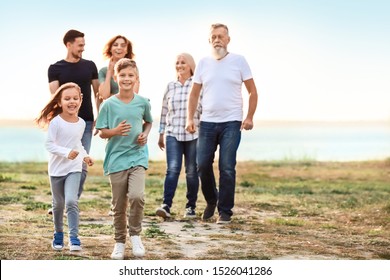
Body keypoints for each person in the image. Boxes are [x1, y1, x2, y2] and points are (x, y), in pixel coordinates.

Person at [186, 23, 258, 224]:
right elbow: (194, 94)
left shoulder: (239, 61)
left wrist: (249, 117)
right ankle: (212, 199)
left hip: (231, 122)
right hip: (207, 122)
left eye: (221, 36)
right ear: (209, 41)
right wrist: (190, 118)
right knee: (202, 165)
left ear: (228, 39)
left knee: (227, 166)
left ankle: (225, 211)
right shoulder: (203, 63)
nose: (217, 40)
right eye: (214, 37)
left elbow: (252, 91)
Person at [95, 58, 153, 259]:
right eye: (123, 76)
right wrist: (115, 131)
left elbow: (148, 123)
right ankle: (119, 241)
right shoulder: (108, 104)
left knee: (137, 196)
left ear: (136, 78)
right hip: (116, 159)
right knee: (119, 205)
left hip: (137, 157)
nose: (127, 79)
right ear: (117, 78)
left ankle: (135, 235)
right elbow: (101, 132)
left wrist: (145, 134)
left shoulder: (143, 102)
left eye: (131, 75)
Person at [35, 82, 94, 251]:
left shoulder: (82, 123)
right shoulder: (56, 122)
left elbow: (78, 145)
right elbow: (49, 145)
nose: (72, 101)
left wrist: (85, 156)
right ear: (60, 102)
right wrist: (66, 152)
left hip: (74, 168)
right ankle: (58, 234)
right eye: (67, 98)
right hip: (56, 170)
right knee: (58, 204)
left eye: (75, 98)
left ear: (80, 100)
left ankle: (74, 237)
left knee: (71, 201)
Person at [47, 29, 99, 209]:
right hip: (63, 124)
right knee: (62, 162)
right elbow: (54, 97)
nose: (83, 48)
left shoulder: (90, 66)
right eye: (80, 45)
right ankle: (59, 201)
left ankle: (72, 200)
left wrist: (99, 116)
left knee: (82, 164)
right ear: (69, 45)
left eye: (84, 45)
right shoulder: (55, 69)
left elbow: (97, 93)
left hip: (86, 122)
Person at [155, 53, 201, 219]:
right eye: (177, 63)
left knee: (191, 171)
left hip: (194, 135)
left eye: (183, 62)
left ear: (190, 65)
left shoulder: (197, 85)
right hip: (172, 133)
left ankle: (190, 207)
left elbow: (203, 110)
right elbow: (164, 111)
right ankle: (166, 205)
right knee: (172, 169)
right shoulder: (170, 86)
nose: (180, 65)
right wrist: (160, 133)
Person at [98, 35, 140, 99]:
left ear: (127, 50)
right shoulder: (103, 71)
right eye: (115, 45)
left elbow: (133, 95)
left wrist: (111, 96)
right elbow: (104, 96)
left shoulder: (133, 69)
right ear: (110, 49)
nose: (119, 48)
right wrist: (109, 71)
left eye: (123, 45)